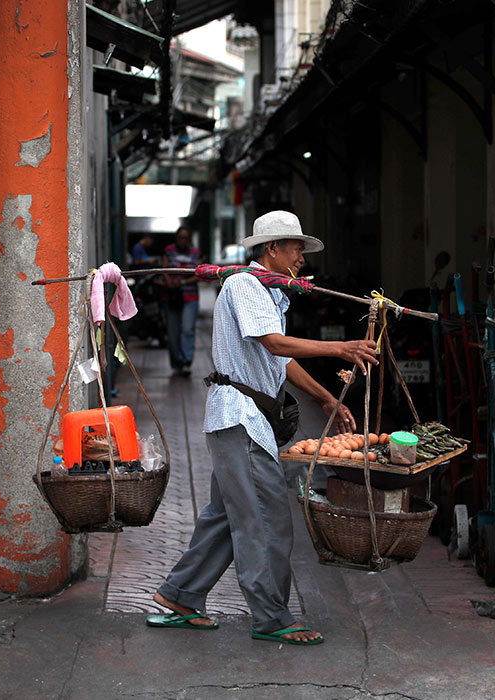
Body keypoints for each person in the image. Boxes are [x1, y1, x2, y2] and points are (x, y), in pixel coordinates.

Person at [146, 210, 378, 646]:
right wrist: (340, 348)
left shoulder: (271, 294)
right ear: (271, 249)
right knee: (266, 518)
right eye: (295, 248)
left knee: (225, 517)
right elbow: (275, 344)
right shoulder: (244, 285)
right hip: (240, 419)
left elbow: (279, 360)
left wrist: (325, 397)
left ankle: (180, 594)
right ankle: (272, 617)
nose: (302, 258)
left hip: (243, 420)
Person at [161, 227, 202, 377]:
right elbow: (163, 269)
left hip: (190, 297)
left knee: (187, 329)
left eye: (185, 238)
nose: (182, 241)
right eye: (180, 237)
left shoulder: (195, 253)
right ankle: (176, 362)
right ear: (176, 238)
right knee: (172, 332)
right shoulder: (169, 250)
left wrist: (182, 283)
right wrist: (169, 283)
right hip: (171, 297)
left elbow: (199, 273)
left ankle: (186, 361)